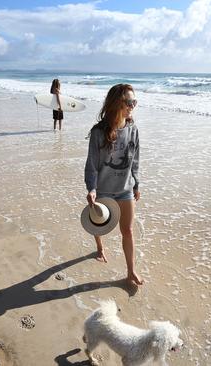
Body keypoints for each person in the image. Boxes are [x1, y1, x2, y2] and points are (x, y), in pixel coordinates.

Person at [84, 83, 143, 286]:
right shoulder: (99, 132)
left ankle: (131, 272)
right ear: (117, 103)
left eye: (134, 101)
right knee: (98, 224)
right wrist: (91, 189)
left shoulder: (133, 129)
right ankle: (99, 248)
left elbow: (135, 159)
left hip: (125, 189)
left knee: (127, 231)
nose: (132, 106)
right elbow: (92, 165)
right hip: (103, 189)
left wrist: (136, 183)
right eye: (129, 102)